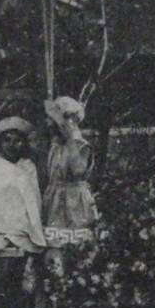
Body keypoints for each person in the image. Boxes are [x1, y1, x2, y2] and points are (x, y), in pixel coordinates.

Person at [0, 116, 46, 308]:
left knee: (27, 282)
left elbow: (32, 197)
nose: (12, 145)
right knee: (5, 280)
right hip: (4, 230)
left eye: (17, 140)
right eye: (7, 140)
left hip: (28, 230)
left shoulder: (28, 166)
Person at [42, 97, 98, 249]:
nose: (48, 123)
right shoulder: (56, 146)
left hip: (74, 203)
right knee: (54, 250)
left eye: (52, 120)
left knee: (76, 248)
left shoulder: (79, 146)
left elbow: (78, 170)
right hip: (55, 202)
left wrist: (70, 139)